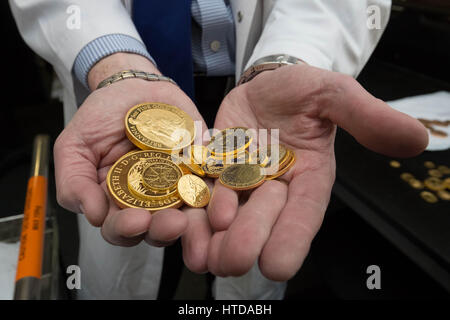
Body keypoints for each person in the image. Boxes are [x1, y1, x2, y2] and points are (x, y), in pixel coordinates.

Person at [10, 0, 428, 299]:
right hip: (120, 101)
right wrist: (114, 64)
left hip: (263, 96)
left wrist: (293, 58)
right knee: (132, 251)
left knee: (242, 268)